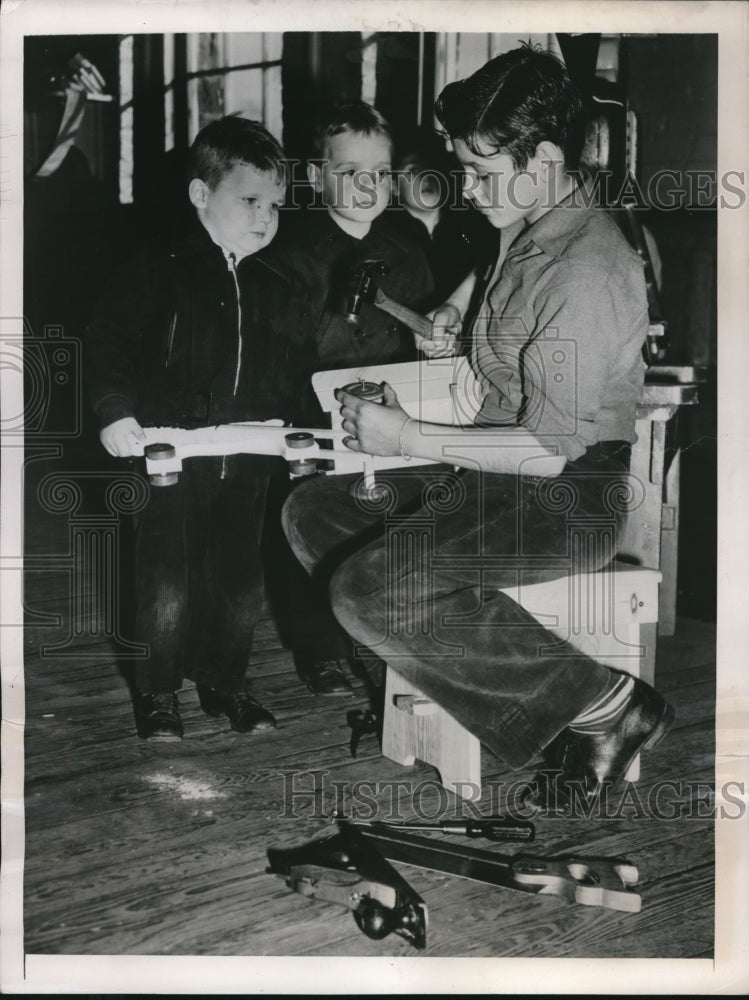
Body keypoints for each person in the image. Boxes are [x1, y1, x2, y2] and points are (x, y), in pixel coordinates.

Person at [281, 45, 675, 809]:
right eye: (465, 167)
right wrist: (462, 314)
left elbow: (545, 452)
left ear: (548, 158)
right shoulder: (527, 222)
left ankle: (603, 706)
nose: (467, 187)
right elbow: (514, 322)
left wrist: (406, 437)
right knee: (315, 509)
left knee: (372, 587)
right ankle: (436, 675)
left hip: (564, 494)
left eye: (483, 172)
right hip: (492, 476)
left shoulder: (586, 270)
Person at [86, 115, 306, 740]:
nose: (266, 216)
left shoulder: (276, 282)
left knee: (238, 578)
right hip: (169, 451)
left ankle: (225, 681)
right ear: (200, 195)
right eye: (251, 201)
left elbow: (293, 368)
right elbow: (108, 342)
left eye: (276, 206)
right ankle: (158, 692)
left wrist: (299, 432)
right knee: (167, 578)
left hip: (247, 453)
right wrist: (113, 409)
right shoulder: (159, 265)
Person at [266, 101, 446, 697]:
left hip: (390, 416)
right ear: (317, 176)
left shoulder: (409, 244)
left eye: (379, 171)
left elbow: (425, 328)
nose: (366, 185)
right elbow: (280, 349)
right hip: (310, 412)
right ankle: (317, 649)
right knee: (307, 526)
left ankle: (379, 640)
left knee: (382, 526)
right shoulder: (287, 252)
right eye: (348, 171)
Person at [387, 125, 496, 311]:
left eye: (432, 168)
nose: (427, 176)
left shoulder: (474, 228)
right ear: (394, 187)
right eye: (413, 170)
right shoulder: (387, 239)